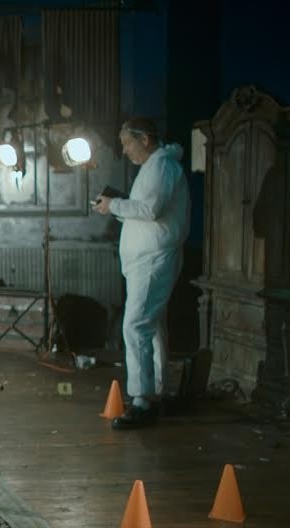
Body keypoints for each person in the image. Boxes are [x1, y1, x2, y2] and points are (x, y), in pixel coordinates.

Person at [92, 118, 190, 430]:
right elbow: (146, 213)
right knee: (152, 325)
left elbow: (150, 210)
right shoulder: (155, 167)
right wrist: (115, 207)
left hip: (153, 259)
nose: (124, 150)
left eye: (127, 143)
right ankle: (157, 392)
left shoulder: (161, 166)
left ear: (144, 139)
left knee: (135, 325)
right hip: (147, 259)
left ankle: (142, 401)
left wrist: (115, 204)